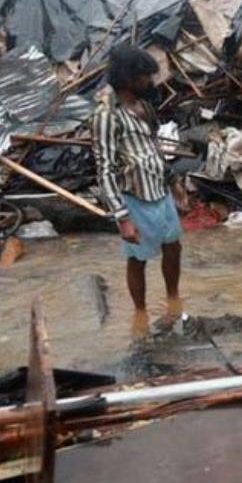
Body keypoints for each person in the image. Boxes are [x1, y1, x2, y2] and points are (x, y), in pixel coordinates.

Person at [91, 44, 182, 315]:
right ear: (129, 77)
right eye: (145, 76)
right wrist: (122, 218)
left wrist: (174, 182)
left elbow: (154, 147)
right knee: (137, 259)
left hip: (160, 191)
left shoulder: (144, 107)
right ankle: (140, 313)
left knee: (174, 247)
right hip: (135, 198)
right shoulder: (106, 115)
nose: (150, 82)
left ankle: (173, 299)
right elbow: (104, 169)